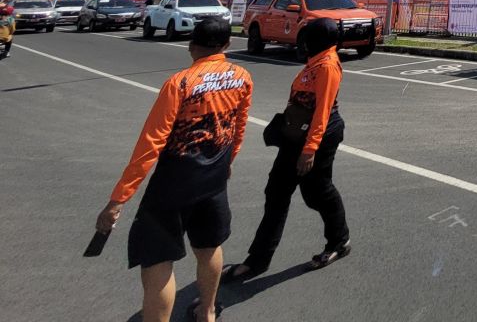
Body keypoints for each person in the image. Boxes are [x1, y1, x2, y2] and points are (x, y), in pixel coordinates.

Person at [95, 18, 253, 322]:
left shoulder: (181, 83)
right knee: (209, 246)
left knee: (157, 259)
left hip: (175, 183)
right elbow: (238, 127)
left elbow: (150, 144)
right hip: (215, 178)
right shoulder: (242, 77)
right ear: (227, 45)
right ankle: (207, 311)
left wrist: (118, 200)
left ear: (192, 46)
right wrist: (228, 163)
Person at [223, 18, 351, 283]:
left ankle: (339, 241)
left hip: (318, 136)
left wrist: (310, 149)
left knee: (319, 192)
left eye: (308, 37)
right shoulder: (314, 61)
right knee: (277, 192)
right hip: (297, 133)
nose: (303, 42)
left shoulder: (327, 65)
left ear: (318, 40)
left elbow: (323, 112)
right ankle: (257, 260)